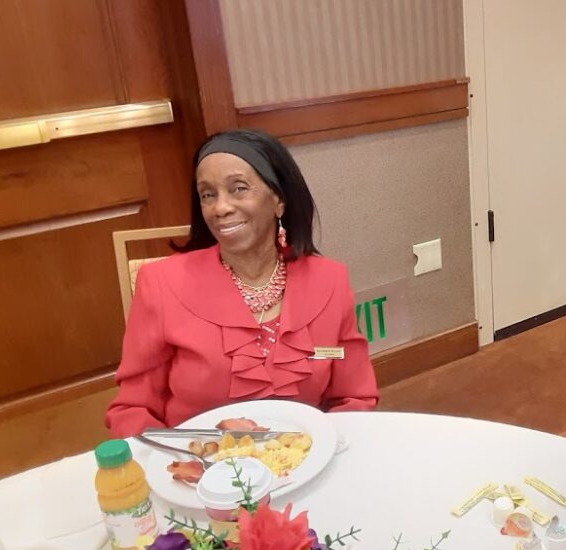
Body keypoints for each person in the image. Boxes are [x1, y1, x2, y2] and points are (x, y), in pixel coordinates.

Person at [106, 129, 378, 438]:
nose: (220, 208)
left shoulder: (329, 281)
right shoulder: (160, 283)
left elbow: (354, 397)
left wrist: (324, 449)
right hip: (202, 471)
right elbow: (132, 410)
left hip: (305, 461)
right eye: (208, 194)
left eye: (238, 189)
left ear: (279, 201)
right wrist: (176, 464)